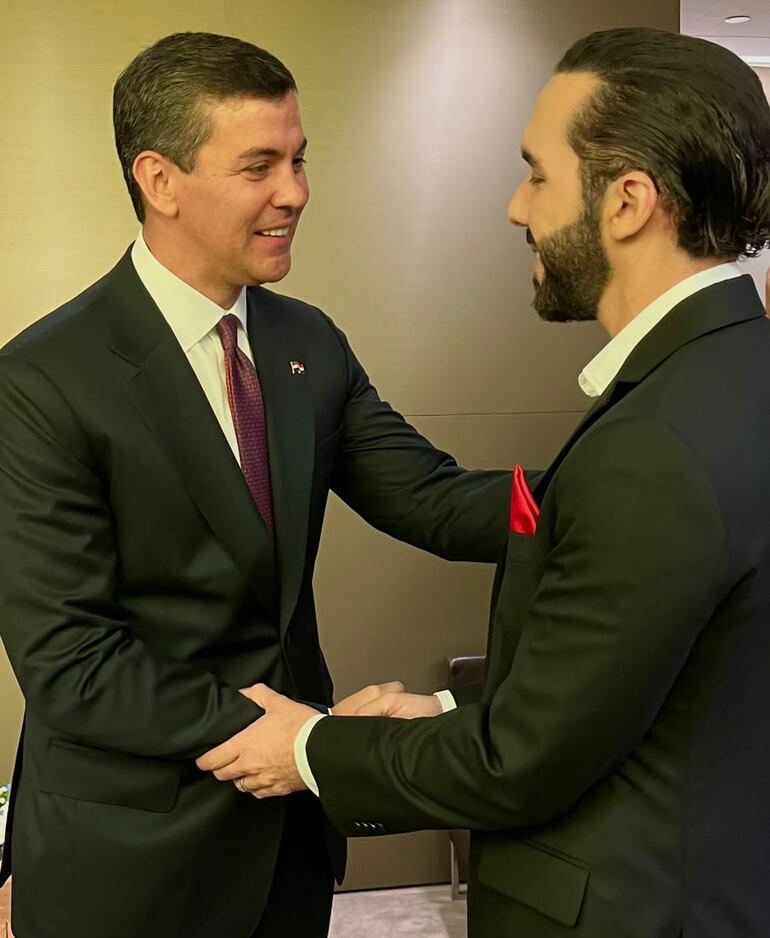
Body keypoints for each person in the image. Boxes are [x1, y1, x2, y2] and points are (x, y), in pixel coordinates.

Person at [200, 28, 770, 937]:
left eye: (536, 174)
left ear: (628, 202)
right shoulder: (730, 379)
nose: (515, 207)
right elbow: (649, 678)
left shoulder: (653, 450)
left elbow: (519, 759)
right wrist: (447, 706)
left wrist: (309, 746)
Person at [0, 32, 512, 938]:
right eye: (259, 166)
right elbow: (73, 664)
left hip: (287, 847)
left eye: (299, 159)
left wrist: (623, 478)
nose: (296, 192)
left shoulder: (307, 341)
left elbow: (434, 499)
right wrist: (287, 732)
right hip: (127, 862)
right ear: (160, 180)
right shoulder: (41, 381)